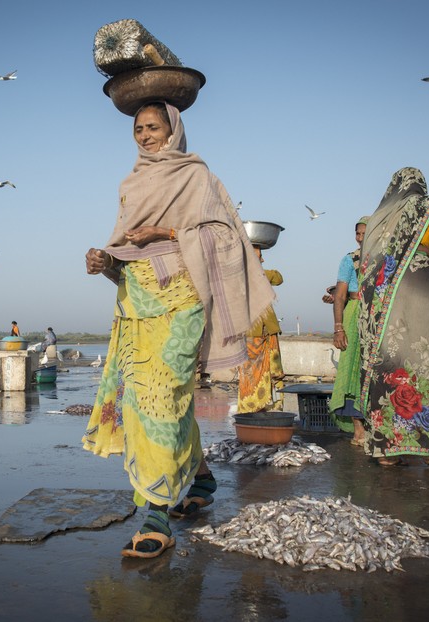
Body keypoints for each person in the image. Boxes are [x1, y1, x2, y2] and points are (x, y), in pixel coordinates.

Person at [83, 101, 274, 558]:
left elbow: (227, 238)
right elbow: (124, 244)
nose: (145, 135)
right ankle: (202, 477)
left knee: (163, 400)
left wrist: (166, 233)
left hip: (182, 304)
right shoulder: (131, 183)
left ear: (174, 130)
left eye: (153, 127)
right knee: (148, 404)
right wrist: (105, 259)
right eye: (139, 129)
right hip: (134, 304)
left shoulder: (197, 177)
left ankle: (156, 515)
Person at [356, 167, 429, 469]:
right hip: (418, 295)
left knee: (390, 366)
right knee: (427, 364)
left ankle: (387, 449)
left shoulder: (377, 220)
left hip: (380, 308)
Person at [325, 216, 368, 445]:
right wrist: (338, 328)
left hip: (378, 316)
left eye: (364, 233)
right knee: (353, 371)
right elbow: (340, 295)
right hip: (354, 315)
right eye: (358, 233)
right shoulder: (349, 260)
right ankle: (358, 428)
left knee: (375, 371)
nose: (360, 238)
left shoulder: (384, 259)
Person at [236, 246, 284, 414]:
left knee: (273, 373)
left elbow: (279, 278)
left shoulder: (260, 275)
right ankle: (252, 410)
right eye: (259, 257)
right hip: (251, 334)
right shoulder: (239, 277)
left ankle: (271, 409)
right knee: (251, 376)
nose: (262, 260)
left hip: (268, 331)